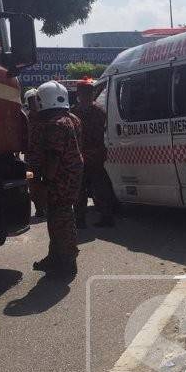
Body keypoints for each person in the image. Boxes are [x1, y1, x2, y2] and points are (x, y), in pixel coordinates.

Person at [32, 81, 84, 276]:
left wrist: (46, 180)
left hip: (60, 179)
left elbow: (54, 156)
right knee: (57, 218)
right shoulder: (72, 119)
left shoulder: (55, 124)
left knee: (61, 219)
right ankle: (55, 257)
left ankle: (67, 262)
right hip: (71, 176)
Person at [73, 78, 115, 228]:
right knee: (99, 187)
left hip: (83, 154)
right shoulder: (99, 111)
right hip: (95, 154)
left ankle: (81, 219)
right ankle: (105, 216)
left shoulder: (75, 112)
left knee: (82, 188)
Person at [24, 88, 47, 218]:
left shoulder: (46, 118)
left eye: (36, 100)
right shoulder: (25, 119)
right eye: (31, 101)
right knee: (32, 183)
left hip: (46, 158)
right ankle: (39, 208)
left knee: (48, 182)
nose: (34, 104)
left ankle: (46, 206)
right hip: (31, 160)